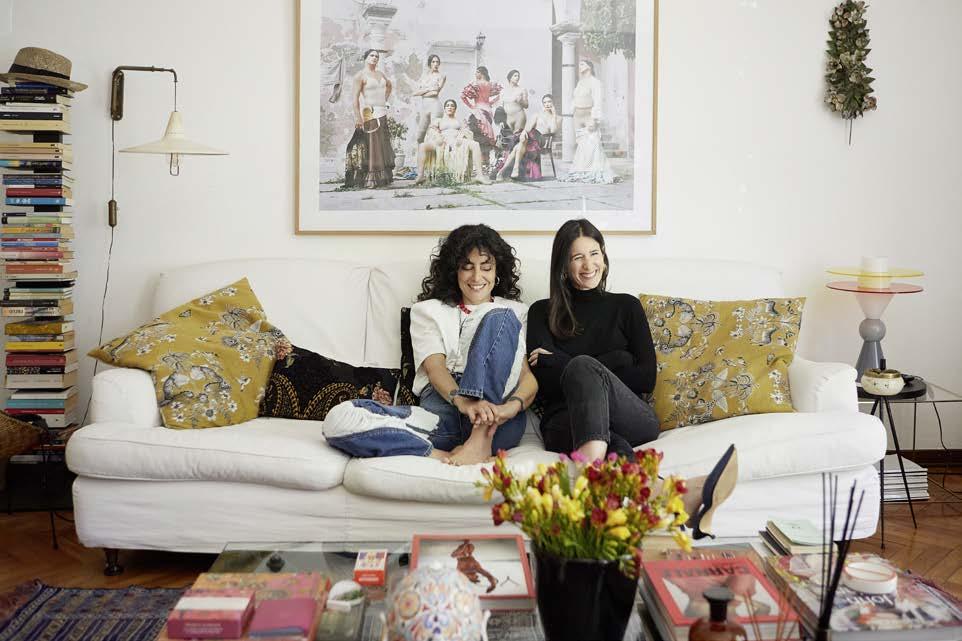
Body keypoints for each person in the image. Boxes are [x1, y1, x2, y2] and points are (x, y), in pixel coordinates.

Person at [526, 219, 737, 537]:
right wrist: (618, 360)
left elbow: (646, 378)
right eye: (577, 257)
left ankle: (589, 490)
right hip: (564, 422)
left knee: (582, 368)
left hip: (633, 417)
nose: (588, 265)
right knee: (612, 440)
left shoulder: (626, 306)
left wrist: (570, 364)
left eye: (594, 254)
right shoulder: (541, 312)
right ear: (563, 265)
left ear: (604, 256)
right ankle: (669, 495)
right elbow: (545, 384)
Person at [324, 224, 536, 466]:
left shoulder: (514, 312)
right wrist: (463, 402)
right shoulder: (427, 311)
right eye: (467, 267)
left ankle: (479, 439)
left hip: (497, 420)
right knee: (339, 420)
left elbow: (526, 377)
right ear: (454, 271)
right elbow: (436, 369)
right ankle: (444, 454)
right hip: (442, 415)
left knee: (500, 316)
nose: (477, 277)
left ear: (497, 270)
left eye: (486, 267)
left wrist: (512, 407)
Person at [559, 60, 617, 184]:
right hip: (577, 116)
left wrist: (595, 119)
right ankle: (582, 170)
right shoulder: (580, 82)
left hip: (588, 116)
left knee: (593, 143)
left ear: (589, 67)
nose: (579, 66)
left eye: (582, 64)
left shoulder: (595, 82)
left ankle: (594, 170)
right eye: (579, 64)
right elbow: (575, 99)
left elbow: (598, 101)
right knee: (581, 144)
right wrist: (572, 111)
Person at [344, 49, 395, 188]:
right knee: (372, 147)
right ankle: (371, 179)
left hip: (382, 113)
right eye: (372, 55)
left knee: (382, 146)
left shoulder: (381, 74)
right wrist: (358, 118)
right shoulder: (360, 76)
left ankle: (383, 178)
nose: (374, 58)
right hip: (370, 114)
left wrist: (385, 100)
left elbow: (389, 86)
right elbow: (355, 99)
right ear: (365, 58)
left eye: (377, 56)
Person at [414, 99, 491, 185]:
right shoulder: (439, 120)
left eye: (452, 106)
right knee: (422, 146)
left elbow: (466, 131)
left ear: (455, 109)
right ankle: (420, 176)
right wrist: (438, 136)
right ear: (444, 108)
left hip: (457, 142)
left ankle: (480, 176)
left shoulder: (459, 121)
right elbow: (432, 130)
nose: (450, 107)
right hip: (442, 142)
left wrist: (460, 136)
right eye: (447, 105)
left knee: (475, 144)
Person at [495, 93, 560, 181]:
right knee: (521, 141)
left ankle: (503, 171)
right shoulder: (537, 115)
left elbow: (553, 131)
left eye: (549, 102)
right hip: (530, 138)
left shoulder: (558, 118)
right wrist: (524, 133)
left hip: (541, 140)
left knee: (518, 146)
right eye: (545, 102)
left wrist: (554, 115)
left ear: (553, 103)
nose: (547, 104)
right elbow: (527, 128)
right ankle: (514, 169)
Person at [460, 66, 502, 163]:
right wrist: (490, 102)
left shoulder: (475, 84)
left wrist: (471, 106)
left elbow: (462, 96)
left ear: (481, 73)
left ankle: (479, 162)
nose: (475, 74)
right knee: (486, 137)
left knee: (478, 136)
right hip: (488, 111)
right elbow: (501, 94)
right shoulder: (491, 84)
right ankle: (485, 162)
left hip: (478, 111)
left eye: (477, 72)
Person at [413, 54, 446, 145]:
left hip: (435, 106)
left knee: (435, 134)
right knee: (419, 137)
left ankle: (436, 154)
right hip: (425, 107)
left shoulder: (441, 76)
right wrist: (429, 89)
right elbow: (415, 93)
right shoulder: (424, 77)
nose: (435, 64)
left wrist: (423, 92)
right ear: (429, 64)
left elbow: (435, 93)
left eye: (437, 62)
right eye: (433, 62)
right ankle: (420, 154)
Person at [501, 69, 528, 134]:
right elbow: (500, 106)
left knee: (517, 136)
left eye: (518, 76)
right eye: (515, 76)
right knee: (507, 137)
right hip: (507, 117)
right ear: (510, 77)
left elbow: (526, 105)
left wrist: (520, 101)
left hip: (519, 116)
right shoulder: (503, 90)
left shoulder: (522, 89)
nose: (517, 77)